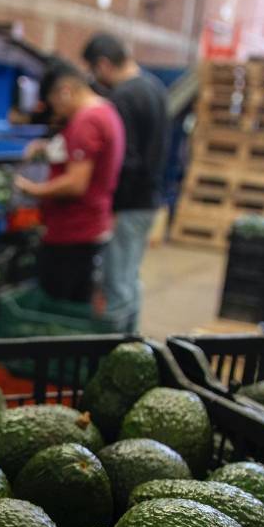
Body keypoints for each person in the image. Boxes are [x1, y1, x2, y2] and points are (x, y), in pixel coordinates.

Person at [15, 62, 125, 309]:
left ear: (65, 91)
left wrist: (30, 188)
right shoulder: (106, 111)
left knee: (61, 309)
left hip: (73, 233)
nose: (57, 111)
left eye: (54, 102)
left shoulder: (86, 121)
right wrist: (46, 147)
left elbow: (76, 184)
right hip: (91, 227)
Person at [82, 33, 169, 333]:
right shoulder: (154, 87)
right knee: (130, 278)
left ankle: (118, 356)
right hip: (149, 200)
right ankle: (131, 343)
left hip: (129, 204)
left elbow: (126, 161)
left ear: (103, 65)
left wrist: (113, 207)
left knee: (116, 282)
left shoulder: (124, 97)